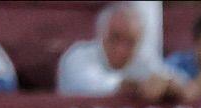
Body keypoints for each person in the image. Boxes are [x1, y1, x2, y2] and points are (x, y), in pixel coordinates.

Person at [57, 0, 187, 98]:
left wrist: (169, 86)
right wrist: (138, 86)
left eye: (130, 42)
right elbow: (94, 85)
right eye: (115, 38)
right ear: (101, 34)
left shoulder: (141, 62)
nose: (121, 49)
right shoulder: (77, 56)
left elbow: (176, 80)